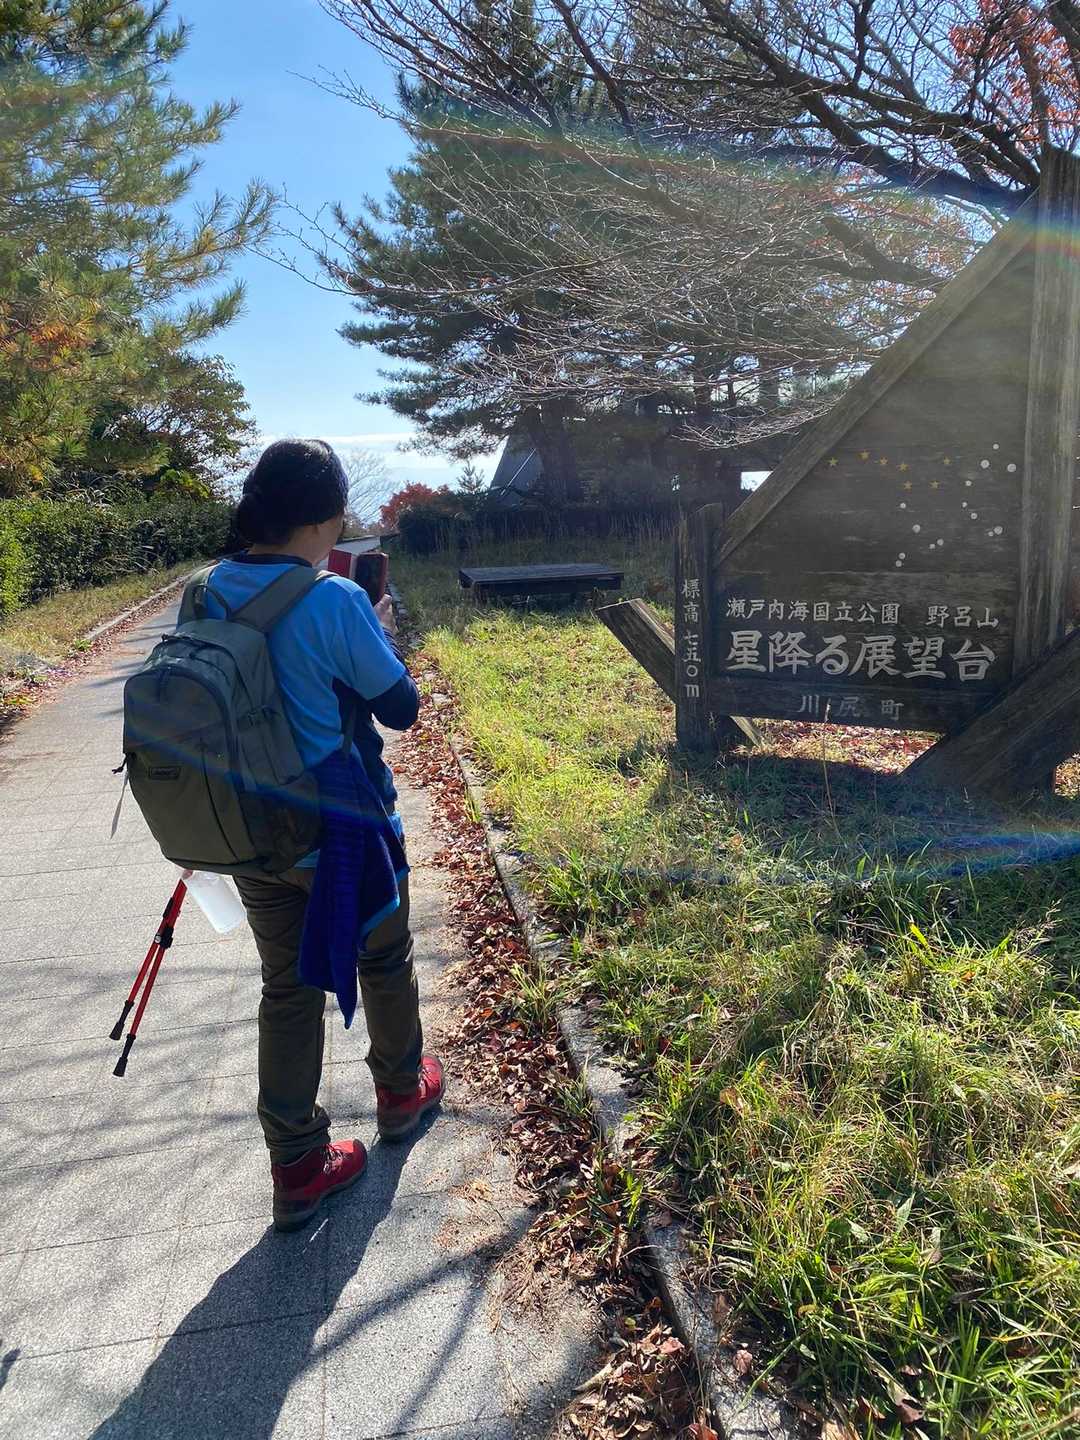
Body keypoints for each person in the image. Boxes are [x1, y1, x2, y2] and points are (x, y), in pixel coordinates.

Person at [204, 438, 443, 1232]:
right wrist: (377, 626)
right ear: (326, 515)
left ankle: (298, 1164)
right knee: (383, 955)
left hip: (249, 828)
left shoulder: (205, 589)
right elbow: (400, 708)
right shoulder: (333, 598)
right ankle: (401, 1092)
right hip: (341, 827)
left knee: (286, 987)